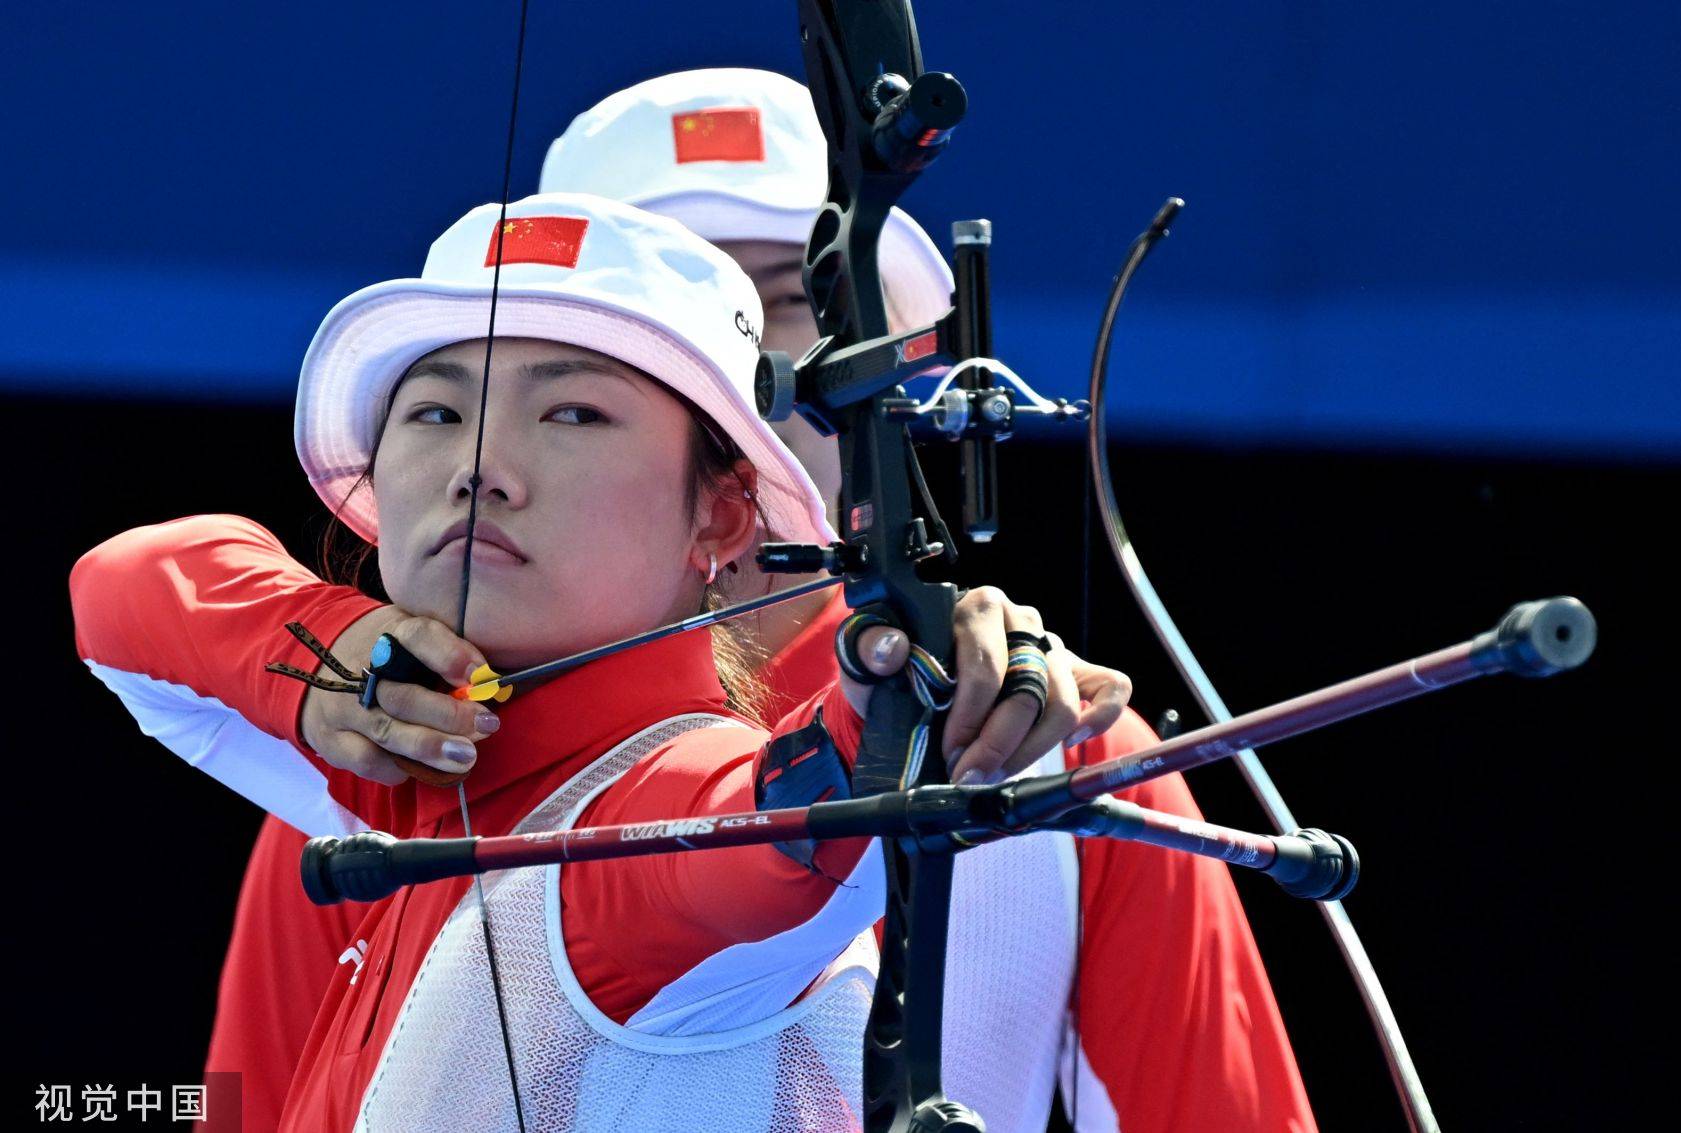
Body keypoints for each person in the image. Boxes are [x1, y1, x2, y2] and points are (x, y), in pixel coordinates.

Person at [203, 69, 1317, 1131]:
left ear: (890, 367)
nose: (748, 371)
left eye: (792, 304)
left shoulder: (1067, 752)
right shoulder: (400, 744)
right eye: (665, 320)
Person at [72, 192, 1117, 1131]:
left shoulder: (638, 827)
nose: (479, 465)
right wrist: (319, 645)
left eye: (572, 412)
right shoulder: (404, 766)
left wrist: (915, 695)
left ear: (717, 512)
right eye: (435, 410)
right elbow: (122, 589)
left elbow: (764, 826)